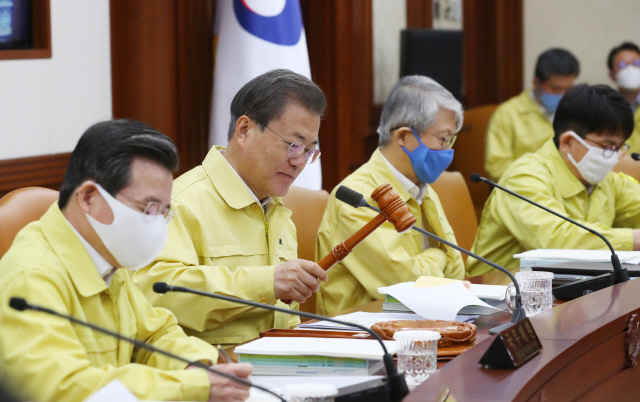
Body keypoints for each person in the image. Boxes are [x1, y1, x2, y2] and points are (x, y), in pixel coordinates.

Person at [0, 120, 252, 402]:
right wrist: (189, 387)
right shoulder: (32, 277)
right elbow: (63, 390)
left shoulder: (106, 259)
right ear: (89, 197)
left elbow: (155, 336)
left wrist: (198, 367)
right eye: (148, 208)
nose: (158, 224)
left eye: (164, 211)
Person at [133, 69, 328, 345]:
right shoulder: (178, 203)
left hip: (280, 370)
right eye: (293, 145)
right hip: (210, 375)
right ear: (244, 130)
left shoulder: (279, 212)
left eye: (309, 151)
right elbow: (156, 295)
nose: (299, 162)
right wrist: (266, 283)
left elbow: (286, 319)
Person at [315, 75, 465, 316]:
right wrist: (438, 255)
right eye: (443, 139)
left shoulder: (422, 189)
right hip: (364, 335)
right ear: (404, 136)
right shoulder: (359, 196)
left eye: (451, 139)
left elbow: (457, 271)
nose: (448, 150)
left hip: (424, 322)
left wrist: (434, 266)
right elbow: (404, 285)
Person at [468, 84, 640, 284]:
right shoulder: (524, 177)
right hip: (498, 301)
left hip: (567, 294)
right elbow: (555, 241)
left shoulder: (606, 180)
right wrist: (634, 239)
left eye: (619, 147)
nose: (613, 156)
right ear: (567, 141)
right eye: (607, 146)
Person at [485, 48, 580, 180]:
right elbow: (497, 166)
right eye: (555, 89)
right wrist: (539, 180)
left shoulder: (579, 110)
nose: (562, 95)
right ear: (536, 83)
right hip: (527, 190)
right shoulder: (508, 113)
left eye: (568, 89)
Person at [607, 41, 640, 154]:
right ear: (612, 74)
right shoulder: (603, 108)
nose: (631, 69)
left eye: (636, 63)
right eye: (622, 65)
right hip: (615, 169)